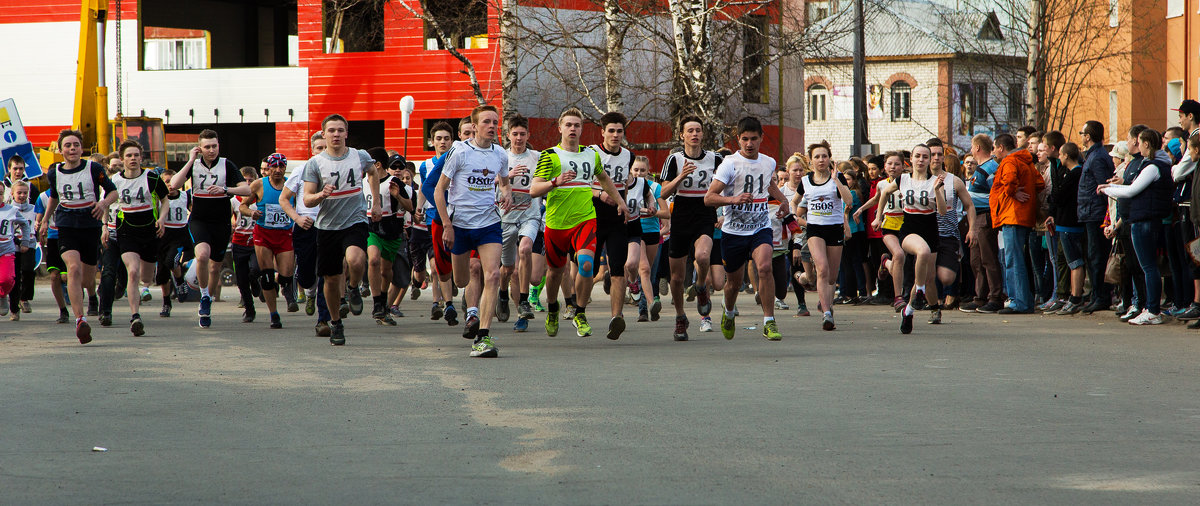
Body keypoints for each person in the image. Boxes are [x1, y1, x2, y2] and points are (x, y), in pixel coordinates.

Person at [529, 107, 630, 340]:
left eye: (577, 125)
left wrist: (620, 202)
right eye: (569, 125)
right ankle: (553, 308)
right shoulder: (550, 155)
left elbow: (604, 178)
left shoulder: (590, 155)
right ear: (560, 128)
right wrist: (554, 182)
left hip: (585, 219)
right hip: (556, 223)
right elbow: (534, 190)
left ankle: (580, 312)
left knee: (586, 265)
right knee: (555, 272)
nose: (573, 129)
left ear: (582, 129)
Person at [434, 104, 511, 356]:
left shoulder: (500, 154)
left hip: (489, 223)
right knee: (462, 280)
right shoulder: (459, 152)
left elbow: (504, 182)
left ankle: (483, 336)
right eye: (486, 122)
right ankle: (468, 303)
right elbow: (438, 190)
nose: (492, 126)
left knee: (492, 275)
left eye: (495, 122)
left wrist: (506, 194)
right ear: (474, 127)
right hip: (460, 225)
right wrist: (447, 225)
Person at [705, 116, 788, 340]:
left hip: (760, 227)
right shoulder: (729, 164)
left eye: (753, 139)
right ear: (738, 140)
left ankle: (769, 321)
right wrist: (733, 200)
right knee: (732, 283)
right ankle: (728, 312)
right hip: (734, 231)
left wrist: (783, 200)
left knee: (764, 268)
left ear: (761, 138)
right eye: (744, 139)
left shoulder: (769, 162)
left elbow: (768, 184)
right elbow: (709, 198)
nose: (749, 144)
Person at [302, 114, 382, 345]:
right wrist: (320, 194)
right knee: (330, 279)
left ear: (346, 133)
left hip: (354, 220)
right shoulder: (315, 163)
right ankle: (336, 323)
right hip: (327, 226)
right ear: (324, 134)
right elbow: (307, 200)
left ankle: (353, 287)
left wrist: (375, 203)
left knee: (356, 260)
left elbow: (373, 173)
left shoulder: (359, 156)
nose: (336, 134)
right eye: (331, 131)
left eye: (340, 130)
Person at [39, 129, 119, 343]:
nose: (72, 148)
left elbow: (113, 192)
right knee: (72, 269)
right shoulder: (55, 172)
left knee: (86, 278)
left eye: (76, 145)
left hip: (89, 223)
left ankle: (92, 296)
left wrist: (102, 203)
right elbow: (54, 196)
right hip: (66, 224)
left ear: (81, 148)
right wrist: (46, 219)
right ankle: (80, 319)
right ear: (61, 149)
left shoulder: (94, 168)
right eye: (68, 145)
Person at [169, 129, 251, 328]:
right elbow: (173, 184)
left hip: (221, 222)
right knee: (203, 255)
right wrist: (190, 160)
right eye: (207, 147)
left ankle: (208, 297)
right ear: (200, 148)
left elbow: (247, 189)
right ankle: (204, 297)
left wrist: (226, 190)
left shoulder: (226, 165)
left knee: (215, 265)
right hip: (199, 219)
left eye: (214, 146)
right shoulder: (194, 165)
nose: (211, 150)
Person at [1098, 128, 1173, 325]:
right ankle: (1150, 308)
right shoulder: (1154, 165)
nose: (1137, 145)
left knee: (1148, 267)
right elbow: (1132, 188)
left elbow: (1132, 190)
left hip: (1145, 221)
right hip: (1145, 219)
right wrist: (1111, 188)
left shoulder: (1152, 167)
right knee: (1147, 267)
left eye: (1139, 142)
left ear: (1147, 144)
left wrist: (1108, 190)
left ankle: (1153, 310)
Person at [660, 115, 722, 340]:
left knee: (703, 256)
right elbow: (663, 193)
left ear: (703, 134)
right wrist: (680, 177)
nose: (695, 134)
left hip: (704, 211)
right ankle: (679, 317)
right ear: (682, 135)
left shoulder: (715, 159)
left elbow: (724, 187)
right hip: (681, 214)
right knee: (676, 278)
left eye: (698, 130)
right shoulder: (674, 159)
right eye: (690, 131)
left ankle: (701, 287)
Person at [874, 145, 947, 334]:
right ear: (911, 160)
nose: (921, 160)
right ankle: (920, 293)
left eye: (925, 157)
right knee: (921, 251)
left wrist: (938, 190)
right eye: (917, 156)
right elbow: (884, 193)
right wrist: (878, 216)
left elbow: (942, 211)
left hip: (930, 231)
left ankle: (908, 311)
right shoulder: (903, 179)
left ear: (930, 160)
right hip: (909, 230)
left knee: (925, 277)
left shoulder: (935, 181)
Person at [588, 111, 641, 339]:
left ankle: (616, 318)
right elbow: (582, 185)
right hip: (592, 215)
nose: (615, 135)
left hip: (617, 218)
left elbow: (625, 186)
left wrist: (625, 205)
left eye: (619, 131)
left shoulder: (629, 156)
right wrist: (601, 194)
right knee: (586, 267)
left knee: (618, 268)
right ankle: (578, 308)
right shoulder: (591, 153)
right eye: (611, 131)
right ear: (603, 132)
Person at [791, 140, 852, 330]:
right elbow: (794, 202)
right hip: (815, 229)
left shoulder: (838, 177)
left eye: (824, 156)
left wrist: (836, 181)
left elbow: (848, 201)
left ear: (829, 158)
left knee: (832, 277)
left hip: (834, 229)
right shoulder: (806, 181)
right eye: (817, 156)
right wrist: (795, 217)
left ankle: (826, 303)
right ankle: (826, 314)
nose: (821, 159)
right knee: (823, 268)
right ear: (811, 161)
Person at [110, 140, 170, 336]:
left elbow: (165, 199)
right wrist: (104, 227)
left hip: (150, 230)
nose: (133, 159)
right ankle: (135, 316)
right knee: (133, 272)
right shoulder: (115, 181)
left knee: (145, 277)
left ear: (141, 157)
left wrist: (161, 219)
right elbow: (106, 203)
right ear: (122, 159)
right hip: (127, 230)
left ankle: (141, 291)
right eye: (129, 155)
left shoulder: (151, 177)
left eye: (136, 155)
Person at [280, 131, 333, 336]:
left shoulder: (335, 170)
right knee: (306, 275)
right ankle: (309, 293)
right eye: (318, 148)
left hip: (328, 225)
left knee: (326, 273)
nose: (322, 151)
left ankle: (323, 319)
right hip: (305, 225)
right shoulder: (302, 170)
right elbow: (284, 199)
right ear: (312, 150)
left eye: (324, 148)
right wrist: (297, 218)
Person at [240, 153, 300, 329]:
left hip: (284, 235)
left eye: (282, 166)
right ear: (269, 168)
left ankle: (279, 282)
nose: (278, 170)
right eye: (275, 166)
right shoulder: (259, 184)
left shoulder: (291, 185)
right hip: (264, 234)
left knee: (287, 276)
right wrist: (252, 213)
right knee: (266, 276)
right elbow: (243, 205)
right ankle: (274, 315)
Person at [499, 114, 545, 332]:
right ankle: (502, 294)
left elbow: (547, 180)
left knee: (525, 251)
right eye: (515, 134)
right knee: (508, 269)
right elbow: (489, 182)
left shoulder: (537, 157)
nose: (518, 138)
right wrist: (507, 176)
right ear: (508, 135)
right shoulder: (501, 157)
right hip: (506, 218)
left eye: (522, 134)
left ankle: (523, 308)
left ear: (528, 135)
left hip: (530, 215)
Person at [989, 133, 1044, 314]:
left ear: (1001, 148)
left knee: (1013, 260)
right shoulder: (1025, 161)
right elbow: (1039, 182)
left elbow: (1010, 180)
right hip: (1022, 215)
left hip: (1011, 215)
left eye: (995, 148)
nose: (994, 152)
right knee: (1018, 259)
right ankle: (1024, 301)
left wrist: (1012, 193)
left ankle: (1017, 302)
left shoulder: (1010, 161)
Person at [926, 138, 977, 321]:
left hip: (949, 233)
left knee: (946, 273)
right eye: (933, 154)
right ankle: (935, 302)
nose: (937, 158)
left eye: (940, 154)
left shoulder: (953, 181)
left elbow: (969, 205)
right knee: (929, 272)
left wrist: (972, 229)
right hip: (926, 233)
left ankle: (950, 296)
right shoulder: (917, 180)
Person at [416, 122, 460, 326]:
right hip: (436, 218)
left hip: (460, 218)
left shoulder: (459, 159)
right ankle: (441, 302)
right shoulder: (426, 165)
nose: (443, 142)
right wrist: (418, 208)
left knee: (461, 263)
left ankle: (455, 289)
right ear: (431, 141)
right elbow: (426, 189)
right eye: (439, 139)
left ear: (452, 141)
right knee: (436, 265)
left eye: (447, 138)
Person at [363, 150, 413, 326]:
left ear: (377, 165)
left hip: (391, 231)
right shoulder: (363, 182)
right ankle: (377, 303)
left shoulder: (394, 182)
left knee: (386, 271)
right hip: (371, 229)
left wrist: (397, 195)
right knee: (373, 260)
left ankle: (383, 302)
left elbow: (410, 207)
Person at [1072, 121, 1117, 313]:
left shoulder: (1097, 157)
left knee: (1097, 256)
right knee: (1093, 256)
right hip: (1089, 212)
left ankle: (1101, 296)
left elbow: (1103, 186)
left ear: (1088, 136)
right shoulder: (1093, 155)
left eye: (1082, 133)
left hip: (1095, 213)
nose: (1081, 136)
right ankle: (1097, 295)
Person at [855, 152, 907, 310]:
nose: (893, 167)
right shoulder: (882, 184)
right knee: (899, 256)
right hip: (889, 222)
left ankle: (886, 264)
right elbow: (877, 199)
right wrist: (862, 210)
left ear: (903, 166)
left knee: (904, 261)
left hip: (906, 222)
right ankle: (898, 295)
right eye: (889, 164)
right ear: (884, 167)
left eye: (896, 164)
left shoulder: (909, 182)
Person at [1045, 142, 1087, 314]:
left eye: (1061, 155)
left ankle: (1075, 297)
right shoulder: (1071, 173)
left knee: (1074, 261)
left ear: (1067, 156)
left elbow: (1058, 196)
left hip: (1070, 224)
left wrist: (1055, 182)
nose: (1059, 158)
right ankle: (1071, 295)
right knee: (1068, 260)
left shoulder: (1074, 174)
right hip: (1064, 223)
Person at [631, 156, 668, 322]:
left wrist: (652, 212)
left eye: (642, 170)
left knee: (650, 275)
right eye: (636, 170)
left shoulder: (655, 187)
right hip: (633, 231)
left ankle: (647, 307)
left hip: (653, 232)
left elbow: (666, 214)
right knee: (644, 269)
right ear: (631, 171)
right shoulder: (627, 186)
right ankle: (646, 308)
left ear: (648, 171)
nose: (639, 173)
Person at [155, 168, 192, 316]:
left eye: (172, 181)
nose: (170, 185)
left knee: (172, 261)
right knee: (162, 273)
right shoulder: (158, 199)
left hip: (179, 236)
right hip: (162, 236)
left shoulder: (185, 197)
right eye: (166, 182)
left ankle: (180, 280)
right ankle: (166, 303)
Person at [0, 180, 35, 317]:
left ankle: (2, 295)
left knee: (6, 279)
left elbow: (25, 225)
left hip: (6, 249)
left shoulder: (11, 210)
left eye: (0, 194)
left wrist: (25, 241)